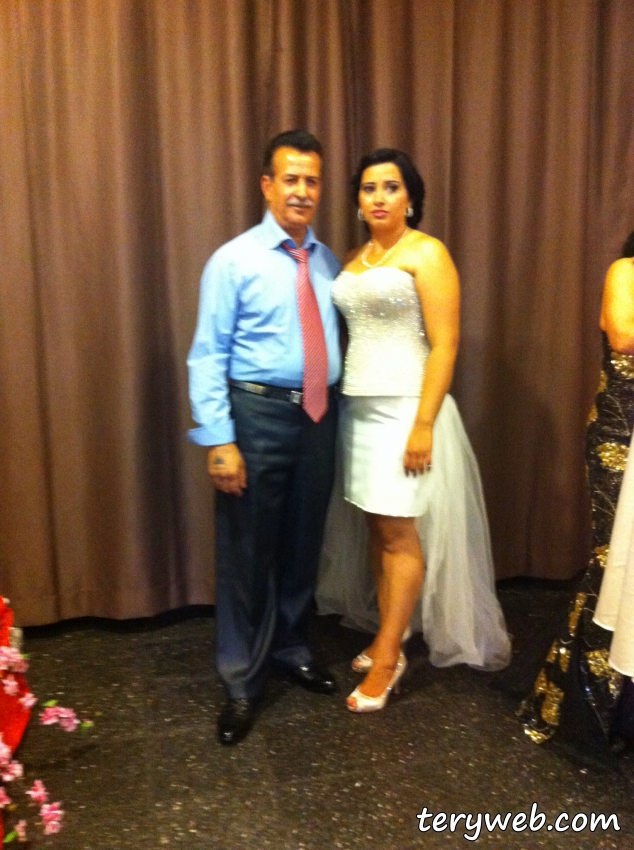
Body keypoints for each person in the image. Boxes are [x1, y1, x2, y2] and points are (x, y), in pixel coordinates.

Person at [316, 148, 511, 713]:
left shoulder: (427, 253)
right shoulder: (354, 258)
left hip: (406, 411)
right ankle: (391, 632)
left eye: (391, 187)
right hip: (357, 410)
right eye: (369, 188)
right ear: (357, 201)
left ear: (410, 198)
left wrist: (424, 423)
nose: (379, 197)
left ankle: (387, 659)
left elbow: (445, 344)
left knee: (401, 536)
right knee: (378, 530)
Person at [188, 130, 341, 745]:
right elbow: (207, 354)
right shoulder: (232, 261)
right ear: (267, 185)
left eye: (312, 180)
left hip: (319, 417)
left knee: (304, 544)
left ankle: (292, 648)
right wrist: (219, 440)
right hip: (255, 417)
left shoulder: (328, 261)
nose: (302, 191)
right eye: (291, 179)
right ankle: (241, 680)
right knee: (247, 553)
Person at [519, 231, 634, 760]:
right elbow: (624, 336)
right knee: (615, 563)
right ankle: (586, 706)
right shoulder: (625, 271)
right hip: (620, 438)